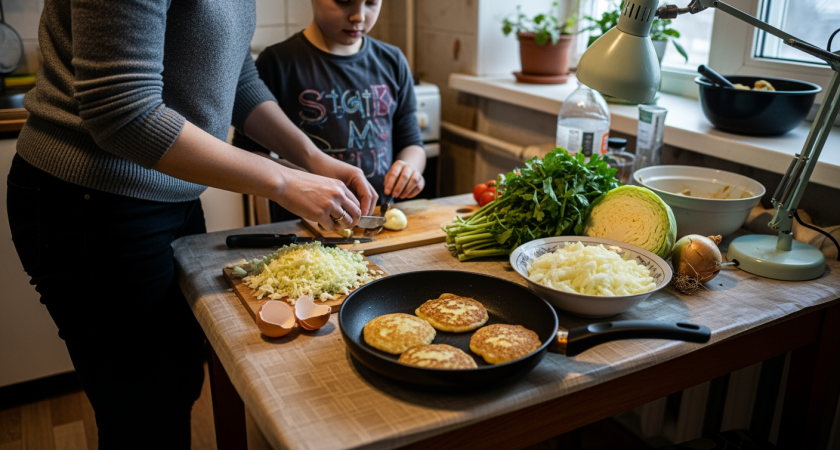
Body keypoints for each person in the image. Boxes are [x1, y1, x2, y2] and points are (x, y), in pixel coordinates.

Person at [5, 0, 377, 447]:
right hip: (91, 204)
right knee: (144, 412)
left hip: (170, 193)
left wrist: (313, 159)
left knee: (178, 380)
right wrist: (283, 181)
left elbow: (236, 77)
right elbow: (121, 109)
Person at [233, 0, 426, 221]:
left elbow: (412, 143)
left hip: (375, 219)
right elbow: (247, 152)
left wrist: (410, 168)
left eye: (371, 2)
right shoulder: (279, 63)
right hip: (303, 224)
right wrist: (293, 179)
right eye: (344, 1)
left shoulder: (393, 61)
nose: (359, 16)